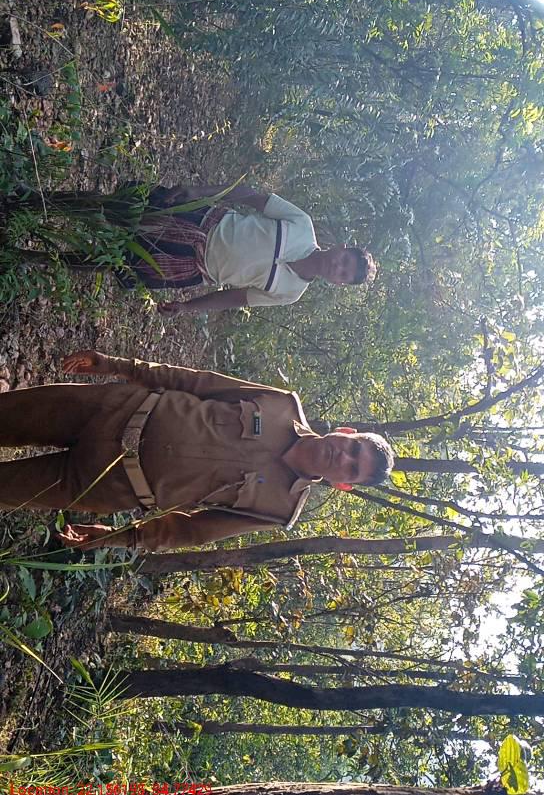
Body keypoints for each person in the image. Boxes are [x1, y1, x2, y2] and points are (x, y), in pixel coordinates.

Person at [0, 349, 394, 552]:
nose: (343, 457)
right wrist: (117, 365)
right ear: (346, 432)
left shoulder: (278, 509)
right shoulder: (282, 405)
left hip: (106, 484)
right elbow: (197, 382)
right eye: (353, 448)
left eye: (352, 468)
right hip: (110, 409)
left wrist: (115, 538)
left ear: (344, 485)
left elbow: (193, 530)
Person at [16, 182, 377, 312]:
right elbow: (250, 196)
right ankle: (35, 202)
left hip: (192, 268)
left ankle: (31, 256)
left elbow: (235, 298)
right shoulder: (301, 225)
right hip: (198, 221)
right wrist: (199, 191)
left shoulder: (290, 293)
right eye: (345, 261)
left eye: (345, 274)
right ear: (341, 248)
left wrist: (188, 307)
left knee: (112, 262)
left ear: (339, 283)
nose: (338, 268)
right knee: (116, 210)